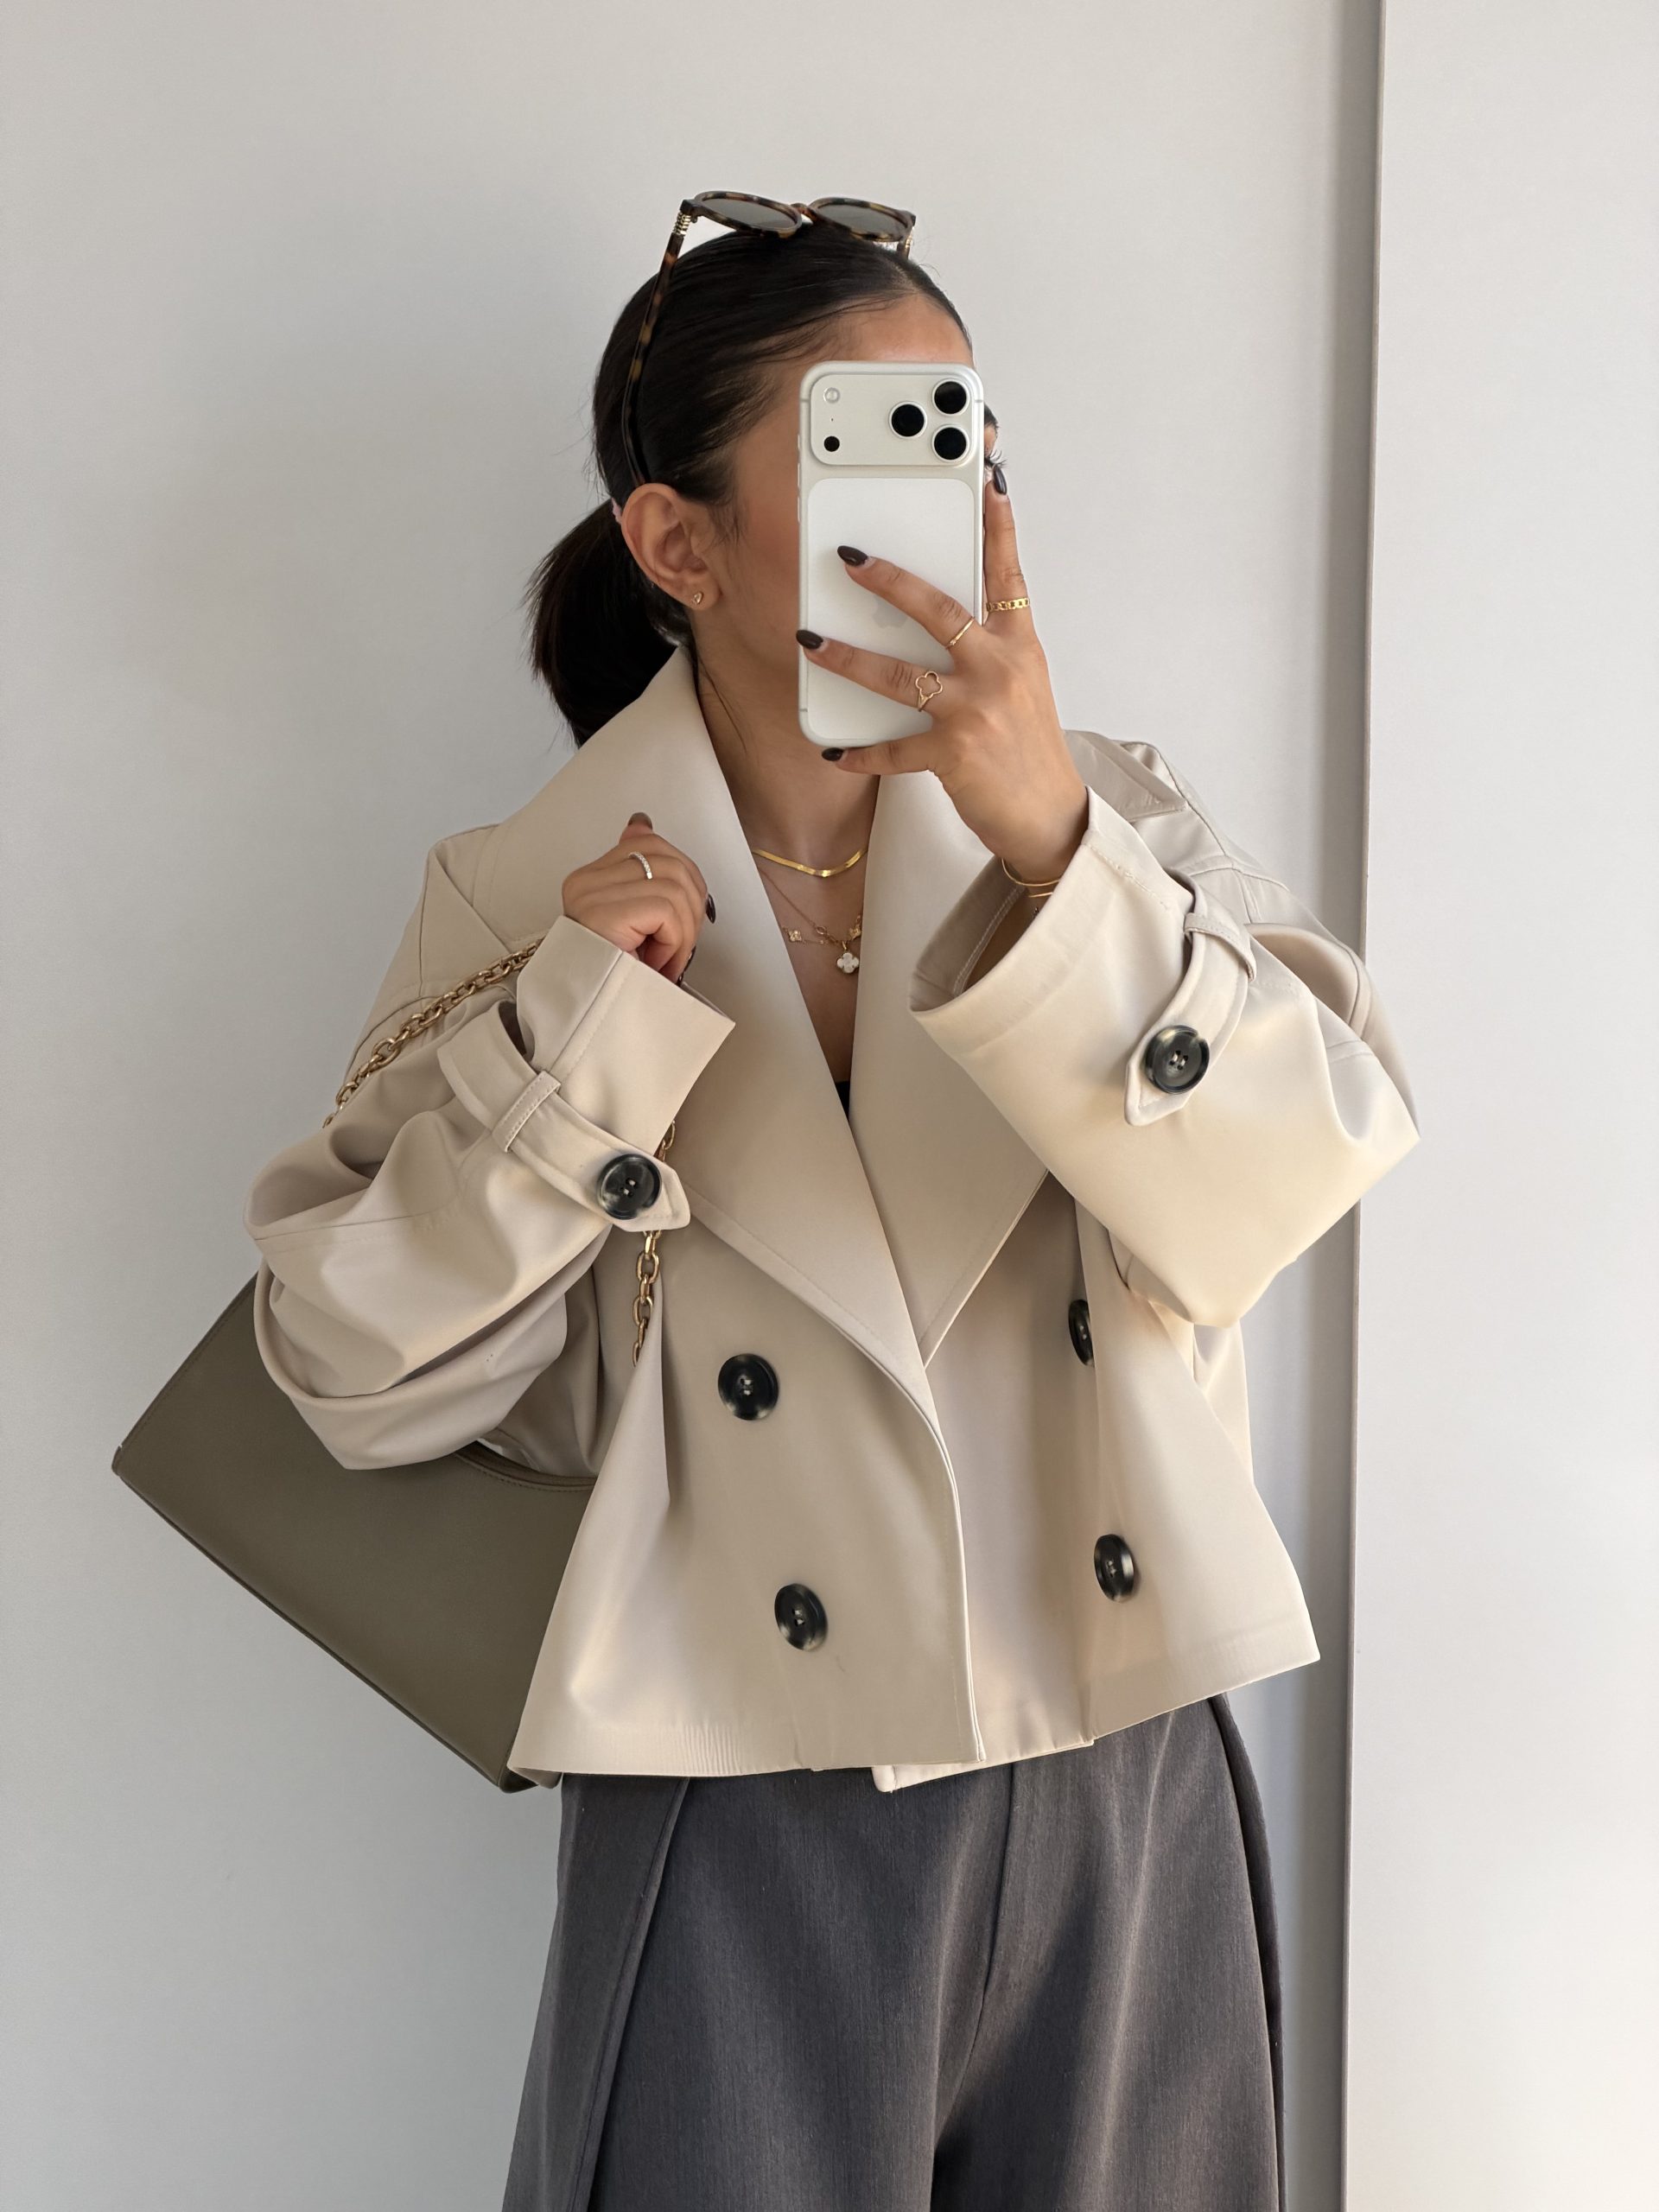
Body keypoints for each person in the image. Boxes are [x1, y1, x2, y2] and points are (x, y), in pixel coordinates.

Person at [243, 206, 1420, 2212]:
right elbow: (347, 1365)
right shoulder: (527, 899)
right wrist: (584, 1029)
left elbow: (1310, 1167)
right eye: (871, 449)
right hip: (741, 1787)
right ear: (676, 543)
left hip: (1119, 1746)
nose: (944, 512)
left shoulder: (1109, 823)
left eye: (963, 445)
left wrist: (1057, 854)